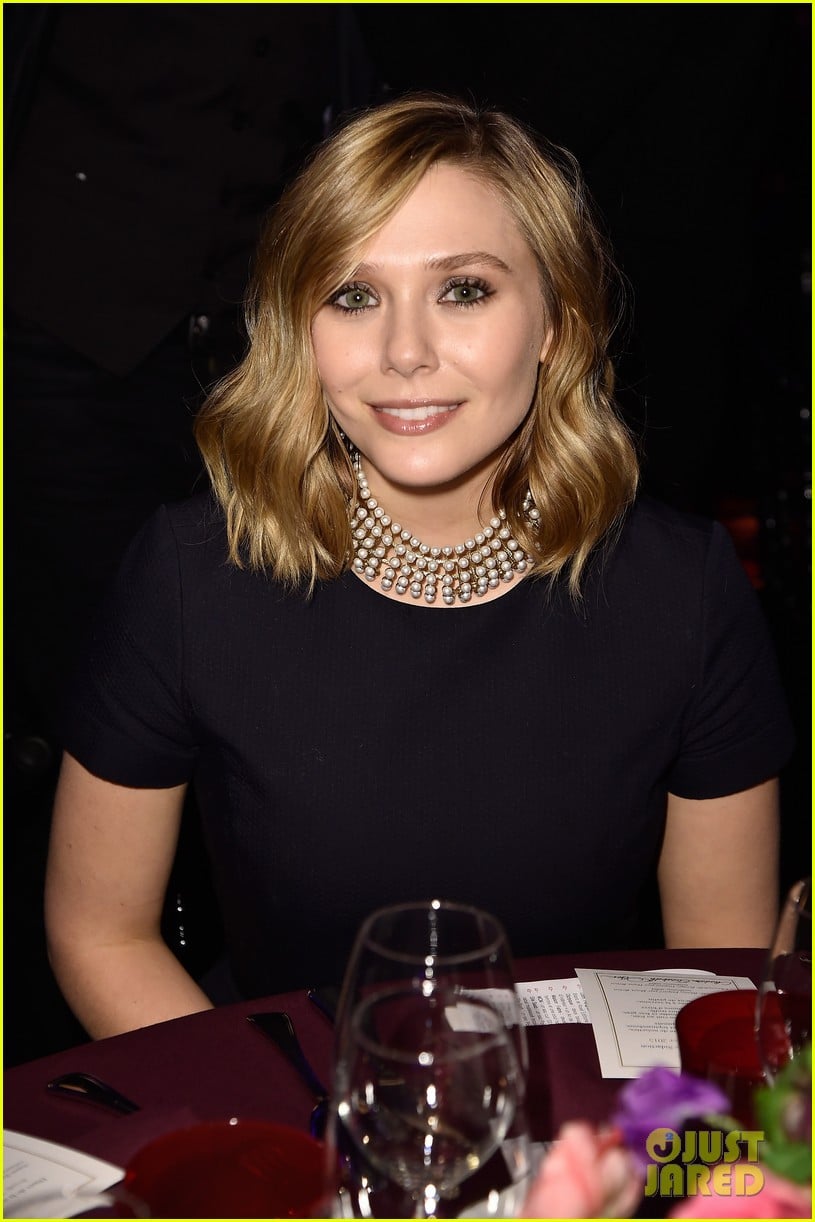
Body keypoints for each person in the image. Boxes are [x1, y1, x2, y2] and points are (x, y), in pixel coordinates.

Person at [44, 95, 794, 1039]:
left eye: (464, 290)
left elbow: (718, 983)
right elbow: (102, 935)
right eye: (352, 296)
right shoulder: (191, 576)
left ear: (556, 323)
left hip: (575, 1108)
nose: (404, 352)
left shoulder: (683, 590)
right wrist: (279, 1118)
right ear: (299, 330)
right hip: (278, 1091)